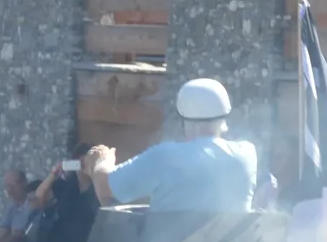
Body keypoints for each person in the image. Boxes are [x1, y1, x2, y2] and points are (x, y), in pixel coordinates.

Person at [87, 78, 260, 213]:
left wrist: (102, 160)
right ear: (224, 116)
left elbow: (104, 185)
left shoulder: (166, 157)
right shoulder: (247, 154)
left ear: (183, 118)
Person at [30, 146, 102, 242]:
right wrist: (54, 173)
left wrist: (97, 174)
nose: (83, 165)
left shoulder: (100, 187)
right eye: (80, 161)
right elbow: (40, 195)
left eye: (87, 161)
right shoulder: (65, 185)